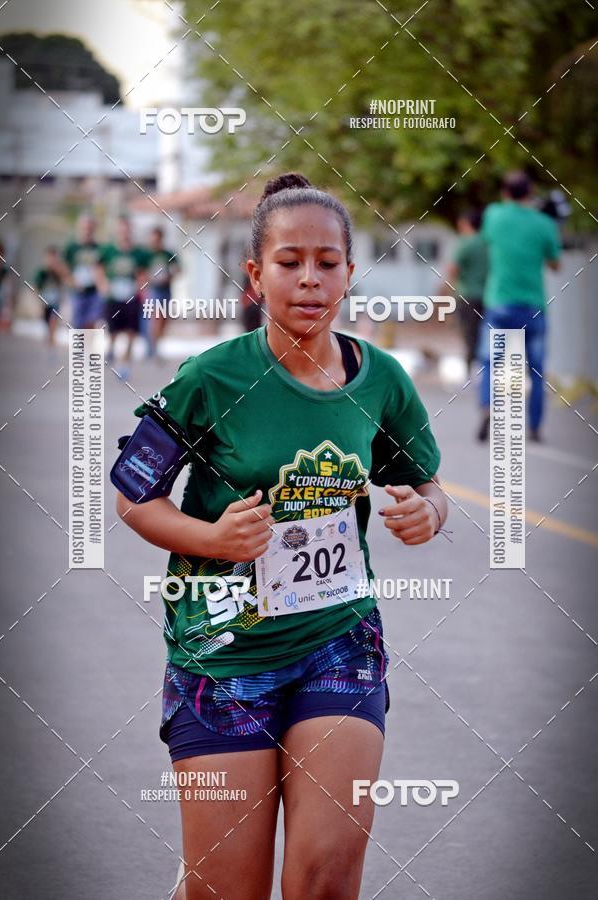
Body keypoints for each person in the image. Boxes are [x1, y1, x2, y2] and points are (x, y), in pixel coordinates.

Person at [114, 172, 446, 900]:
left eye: (327, 263)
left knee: (326, 877)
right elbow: (132, 498)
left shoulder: (382, 379)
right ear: (257, 275)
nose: (310, 279)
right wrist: (214, 537)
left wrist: (429, 510)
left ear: (350, 274)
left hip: (340, 640)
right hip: (224, 654)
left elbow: (426, 483)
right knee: (227, 890)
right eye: (289, 262)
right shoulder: (211, 377)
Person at [477, 171, 561, 442]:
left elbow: (487, 238)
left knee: (491, 363)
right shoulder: (544, 223)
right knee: (535, 370)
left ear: (504, 192)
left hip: (500, 304)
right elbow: (555, 264)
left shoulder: (494, 215)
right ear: (531, 191)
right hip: (533, 306)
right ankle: (534, 426)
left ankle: (488, 407)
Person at [97, 217, 150, 381]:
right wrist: (103, 284)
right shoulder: (108, 250)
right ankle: (111, 348)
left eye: (127, 230)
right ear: (117, 231)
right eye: (121, 229)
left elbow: (143, 273)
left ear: (130, 231)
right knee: (113, 330)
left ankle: (124, 365)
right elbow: (98, 269)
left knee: (131, 331)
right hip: (113, 296)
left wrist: (142, 289)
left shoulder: (139, 253)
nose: (124, 233)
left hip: (131, 296)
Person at [444, 209, 487, 374]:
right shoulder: (487, 243)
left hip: (467, 294)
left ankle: (471, 369)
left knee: (469, 333)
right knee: (482, 332)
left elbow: (453, 269)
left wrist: (448, 290)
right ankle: (482, 369)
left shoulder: (465, 243)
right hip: (486, 295)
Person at [140, 226, 180, 359]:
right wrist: (148, 280)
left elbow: (178, 269)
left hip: (165, 290)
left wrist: (169, 277)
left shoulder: (167, 254)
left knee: (163, 319)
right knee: (155, 318)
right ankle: (152, 348)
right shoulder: (146, 255)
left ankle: (154, 343)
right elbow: (140, 271)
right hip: (153, 290)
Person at [63, 213, 104, 329]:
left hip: (94, 292)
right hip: (77, 292)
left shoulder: (98, 248)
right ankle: (79, 347)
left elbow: (102, 269)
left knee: (92, 323)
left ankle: (89, 347)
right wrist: (72, 283)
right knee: (78, 326)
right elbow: (65, 270)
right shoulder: (72, 248)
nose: (87, 231)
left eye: (90, 228)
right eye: (85, 228)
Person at [34, 245, 67, 348]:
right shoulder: (41, 273)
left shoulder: (58, 272)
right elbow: (36, 288)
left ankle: (52, 339)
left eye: (54, 258)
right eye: (50, 258)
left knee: (54, 320)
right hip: (44, 302)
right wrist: (38, 302)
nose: (52, 261)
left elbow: (64, 281)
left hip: (55, 301)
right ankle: (49, 338)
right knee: (47, 322)